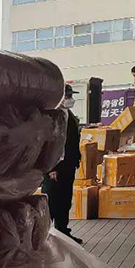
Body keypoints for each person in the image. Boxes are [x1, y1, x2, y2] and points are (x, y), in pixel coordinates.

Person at [42, 86, 82, 243]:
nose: (70, 99)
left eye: (70, 96)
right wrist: (51, 168)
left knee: (65, 200)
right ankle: (45, 235)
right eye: (67, 96)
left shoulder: (67, 113)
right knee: (52, 201)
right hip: (55, 168)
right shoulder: (52, 116)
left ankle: (63, 232)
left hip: (68, 165)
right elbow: (49, 144)